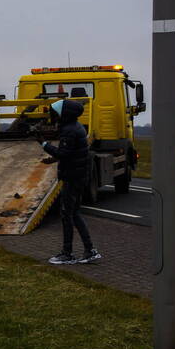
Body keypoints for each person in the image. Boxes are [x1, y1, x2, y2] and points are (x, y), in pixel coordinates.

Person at [39, 99, 102, 265]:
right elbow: (71, 152)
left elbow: (64, 153)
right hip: (78, 176)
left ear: (65, 114)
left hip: (72, 177)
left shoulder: (69, 130)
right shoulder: (76, 127)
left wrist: (44, 144)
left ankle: (67, 254)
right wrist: (53, 159)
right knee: (74, 213)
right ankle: (89, 250)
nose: (54, 116)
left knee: (67, 214)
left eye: (56, 113)